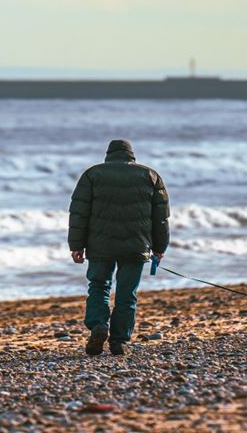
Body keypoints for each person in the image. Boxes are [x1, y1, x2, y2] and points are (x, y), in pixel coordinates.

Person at [68, 139, 170, 356]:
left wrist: (76, 245)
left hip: (100, 245)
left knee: (98, 286)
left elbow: (79, 213)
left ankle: (98, 325)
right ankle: (119, 342)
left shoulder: (92, 174)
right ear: (131, 155)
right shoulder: (150, 175)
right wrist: (160, 247)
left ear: (108, 155)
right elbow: (160, 218)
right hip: (136, 246)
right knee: (127, 294)